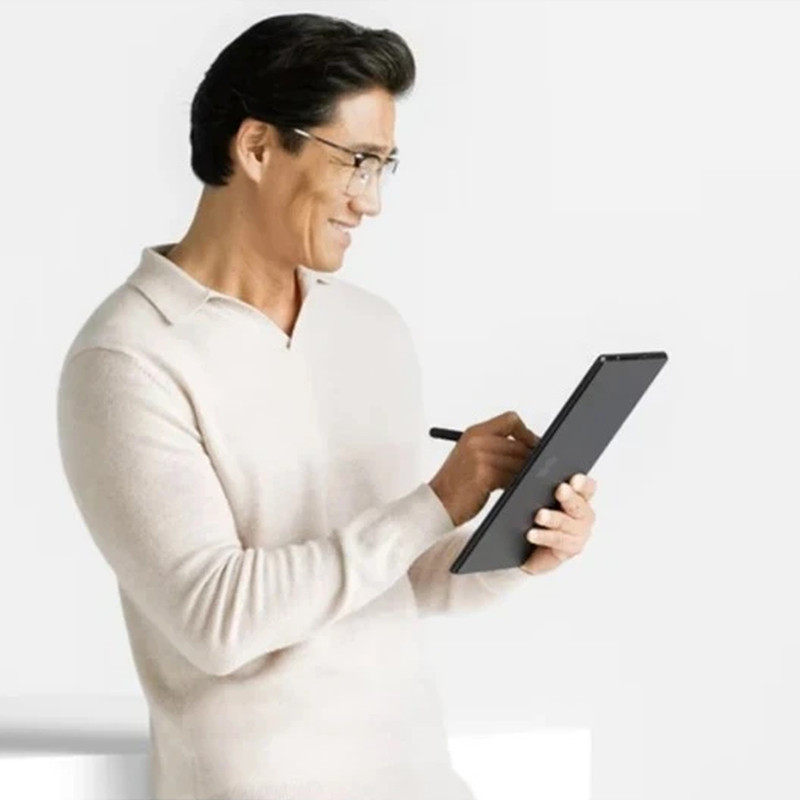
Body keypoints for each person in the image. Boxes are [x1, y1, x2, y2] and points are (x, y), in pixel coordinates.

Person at [56, 12, 596, 800]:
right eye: (358, 161)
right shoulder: (128, 358)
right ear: (257, 147)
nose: (370, 202)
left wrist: (519, 549)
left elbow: (401, 578)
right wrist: (436, 502)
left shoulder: (370, 329)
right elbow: (216, 621)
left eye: (385, 166)